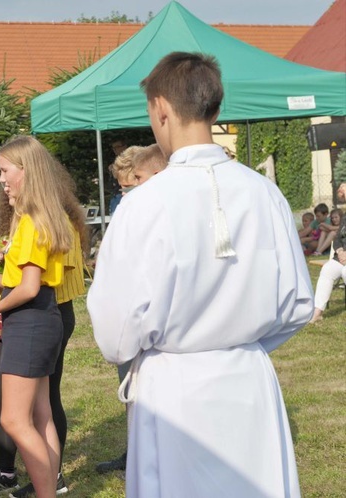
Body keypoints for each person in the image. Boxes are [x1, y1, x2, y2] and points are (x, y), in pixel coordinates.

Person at [87, 52, 312, 497]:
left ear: (161, 109)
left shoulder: (142, 205)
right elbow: (297, 305)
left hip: (173, 392)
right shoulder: (265, 194)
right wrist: (237, 343)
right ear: (214, 107)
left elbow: (114, 335)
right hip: (248, 381)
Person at [0, 135, 72, 498]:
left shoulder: (30, 221)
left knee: (14, 418)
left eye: (4, 170)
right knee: (40, 417)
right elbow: (27, 281)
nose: (1, 179)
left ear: (25, 171)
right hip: (43, 315)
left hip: (29, 321)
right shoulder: (43, 214)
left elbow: (26, 289)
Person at [95, 143, 168, 475]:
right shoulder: (128, 208)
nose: (125, 195)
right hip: (128, 318)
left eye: (131, 185)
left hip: (154, 325)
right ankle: (134, 450)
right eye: (122, 188)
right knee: (131, 391)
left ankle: (149, 454)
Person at [310, 209, 346, 323]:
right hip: (341, 256)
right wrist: (340, 252)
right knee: (327, 270)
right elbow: (337, 239)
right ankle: (317, 312)